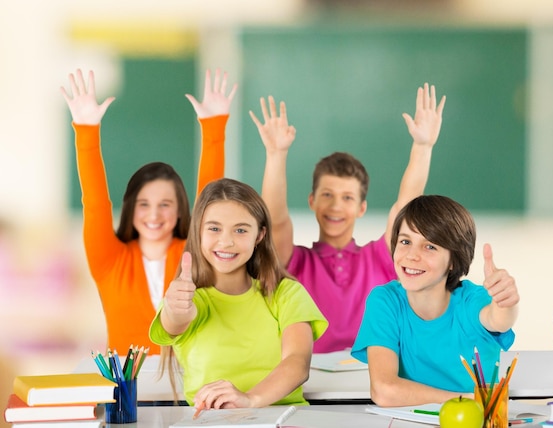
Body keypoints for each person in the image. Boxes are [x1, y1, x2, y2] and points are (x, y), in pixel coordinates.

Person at [249, 83, 445, 353]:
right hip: (308, 381)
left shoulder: (379, 258)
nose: (336, 207)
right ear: (312, 201)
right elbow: (276, 220)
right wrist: (276, 154)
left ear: (361, 208)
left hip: (373, 381)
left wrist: (423, 146)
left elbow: (405, 207)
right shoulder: (296, 263)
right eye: (327, 195)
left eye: (347, 198)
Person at [61, 68, 237, 354]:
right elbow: (94, 203)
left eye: (165, 205)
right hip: (127, 389)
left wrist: (213, 127)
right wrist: (86, 129)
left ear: (180, 210)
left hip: (190, 387)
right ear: (130, 209)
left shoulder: (191, 254)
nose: (154, 215)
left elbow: (211, 201)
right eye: (144, 204)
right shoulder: (109, 260)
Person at [149, 178, 328, 410]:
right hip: (212, 423)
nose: (226, 241)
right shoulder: (189, 299)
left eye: (241, 230)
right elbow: (175, 321)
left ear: (259, 236)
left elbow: (298, 362)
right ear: (198, 232)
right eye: (214, 228)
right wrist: (175, 309)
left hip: (284, 419)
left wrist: (249, 399)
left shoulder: (286, 293)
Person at [351, 194, 520, 406]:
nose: (412, 255)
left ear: (453, 260)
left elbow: (499, 319)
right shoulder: (385, 301)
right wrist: (466, 401)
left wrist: (507, 302)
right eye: (405, 241)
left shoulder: (471, 300)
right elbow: (384, 391)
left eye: (430, 246)